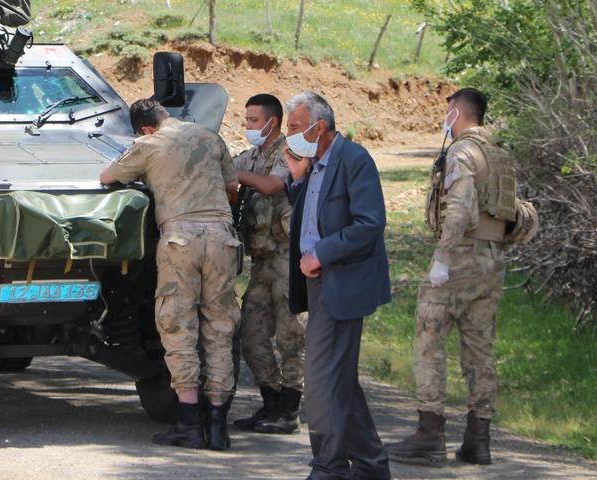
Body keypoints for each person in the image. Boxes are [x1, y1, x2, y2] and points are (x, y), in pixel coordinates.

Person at [100, 98, 241, 451]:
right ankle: (219, 425)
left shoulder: (149, 143)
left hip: (180, 240)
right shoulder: (209, 137)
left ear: (146, 127)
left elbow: (107, 177)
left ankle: (189, 422)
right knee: (220, 331)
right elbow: (232, 189)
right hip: (223, 239)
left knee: (178, 328)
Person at [386, 87, 512, 467]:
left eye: (447, 113)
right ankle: (479, 438)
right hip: (491, 260)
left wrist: (442, 259)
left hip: (459, 256)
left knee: (429, 337)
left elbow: (458, 210)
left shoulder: (462, 151)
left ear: (456, 113)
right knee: (480, 349)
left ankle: (430, 433)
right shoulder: (501, 155)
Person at [283, 91, 392, 480]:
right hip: (318, 284)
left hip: (344, 282)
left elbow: (369, 223)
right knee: (338, 378)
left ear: (319, 127)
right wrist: (296, 180)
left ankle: (328, 466)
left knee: (321, 379)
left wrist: (322, 253)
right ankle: (371, 464)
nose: (288, 135)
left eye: (294, 127)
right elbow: (313, 211)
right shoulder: (314, 164)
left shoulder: (354, 159)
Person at [230, 93, 306, 435]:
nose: (248, 127)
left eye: (253, 121)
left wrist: (237, 177)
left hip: (288, 257)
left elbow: (272, 184)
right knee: (251, 333)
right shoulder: (252, 155)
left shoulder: (289, 152)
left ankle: (290, 408)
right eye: (246, 121)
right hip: (262, 260)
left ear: (272, 122)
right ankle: (271, 401)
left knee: (292, 335)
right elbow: (230, 171)